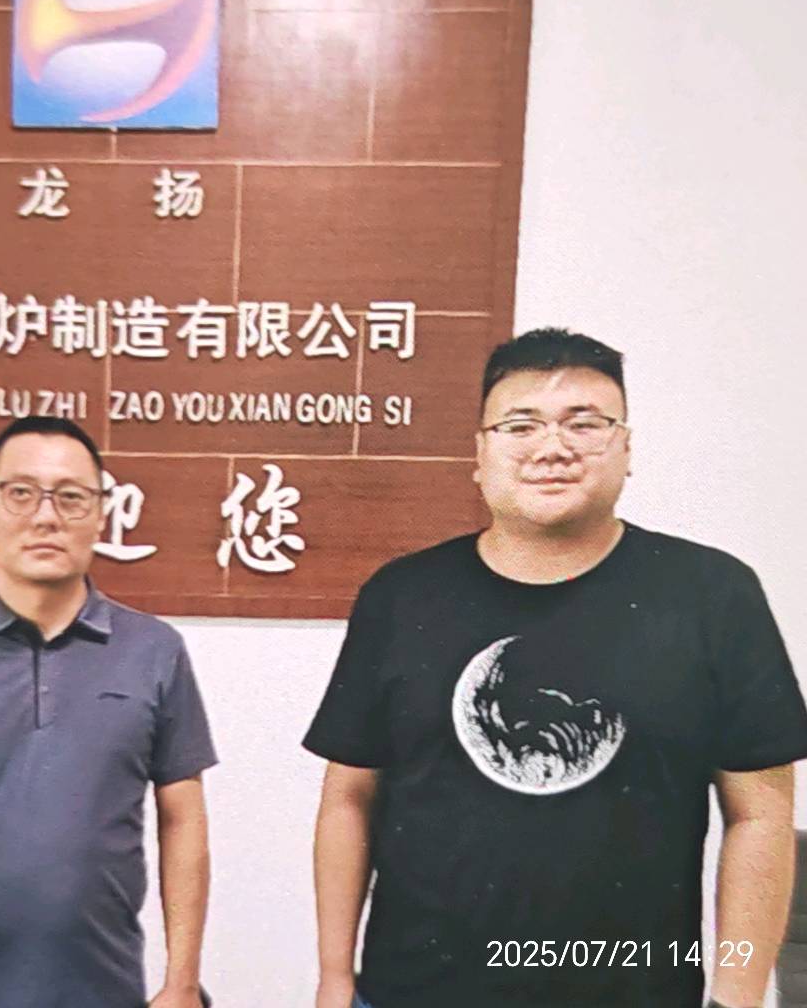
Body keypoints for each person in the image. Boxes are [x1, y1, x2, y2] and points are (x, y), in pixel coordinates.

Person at [305, 328, 807, 1008]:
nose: (552, 448)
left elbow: (761, 815)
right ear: (479, 454)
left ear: (626, 449)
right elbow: (349, 797)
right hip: (411, 991)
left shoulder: (713, 595)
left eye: (585, 424)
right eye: (520, 425)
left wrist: (737, 996)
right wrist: (335, 978)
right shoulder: (402, 596)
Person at [0, 415, 217, 1008]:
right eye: (20, 493)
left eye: (71, 497)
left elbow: (183, 819)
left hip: (102, 987)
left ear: (101, 515)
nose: (46, 517)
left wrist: (181, 982)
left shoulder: (154, 652)